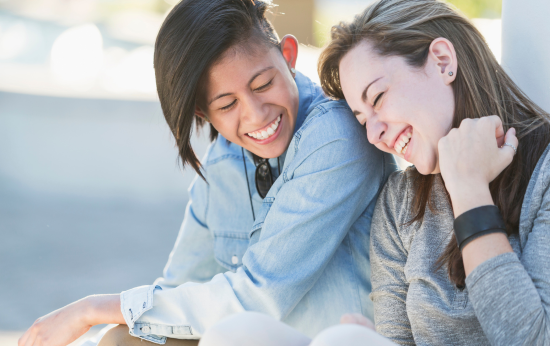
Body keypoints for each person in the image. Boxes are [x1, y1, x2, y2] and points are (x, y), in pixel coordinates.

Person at [18, 1, 394, 346]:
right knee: (123, 340)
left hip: (336, 339)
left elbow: (256, 298)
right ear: (203, 113)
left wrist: (89, 308)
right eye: (227, 104)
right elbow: (179, 288)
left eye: (263, 84)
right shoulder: (222, 162)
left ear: (289, 57)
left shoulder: (336, 136)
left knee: (230, 333)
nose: (256, 114)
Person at [197, 0, 550, 345]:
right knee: (234, 335)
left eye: (378, 97)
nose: (373, 133)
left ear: (442, 61)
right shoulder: (400, 203)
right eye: (361, 118)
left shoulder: (544, 174)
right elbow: (395, 338)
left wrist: (469, 189)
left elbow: (532, 337)